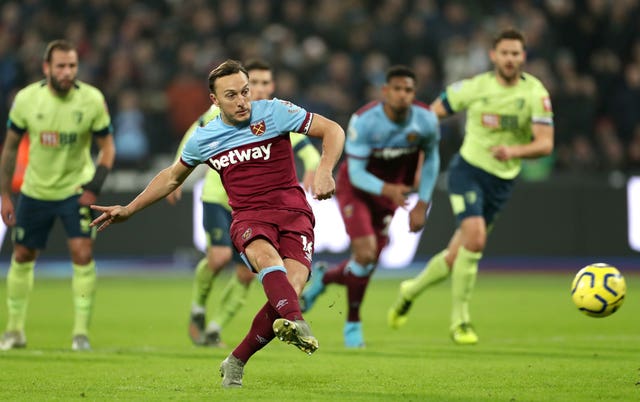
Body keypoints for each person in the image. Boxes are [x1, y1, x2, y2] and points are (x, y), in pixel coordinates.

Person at [90, 60, 344, 388]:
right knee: (268, 265)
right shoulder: (205, 138)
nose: (242, 101)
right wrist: (130, 208)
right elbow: (170, 177)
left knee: (289, 290)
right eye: (231, 95)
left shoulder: (273, 112)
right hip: (249, 218)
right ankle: (296, 322)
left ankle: (236, 360)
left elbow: (332, 130)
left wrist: (325, 169)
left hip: (294, 213)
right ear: (214, 100)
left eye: (245, 92)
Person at [387, 28, 554, 344]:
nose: (510, 59)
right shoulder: (475, 87)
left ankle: (411, 289)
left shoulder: (535, 94)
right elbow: (435, 111)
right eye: (504, 53)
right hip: (469, 171)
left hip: (503, 180)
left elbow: (545, 144)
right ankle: (460, 321)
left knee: (455, 255)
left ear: (523, 56)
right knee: (475, 240)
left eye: (515, 53)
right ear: (494, 56)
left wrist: (513, 152)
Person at [166, 59, 321, 347]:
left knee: (246, 275)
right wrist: (175, 178)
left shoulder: (275, 116)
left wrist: (316, 168)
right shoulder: (217, 115)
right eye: (255, 83)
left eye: (262, 84)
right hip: (218, 198)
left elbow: (304, 145)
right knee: (219, 257)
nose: (257, 90)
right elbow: (192, 140)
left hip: (258, 210)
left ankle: (215, 328)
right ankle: (198, 308)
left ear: (269, 87)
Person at [300, 65, 441, 348]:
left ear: (414, 93)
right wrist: (388, 189)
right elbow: (358, 172)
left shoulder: (425, 120)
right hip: (357, 190)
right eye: (398, 89)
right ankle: (353, 323)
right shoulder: (364, 121)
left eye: (409, 90)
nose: (403, 95)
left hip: (390, 195)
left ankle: (325, 278)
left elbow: (433, 161)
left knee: (366, 263)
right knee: (365, 253)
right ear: (386, 92)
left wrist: (421, 203)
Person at [0, 39, 115, 351]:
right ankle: (14, 331)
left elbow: (107, 149)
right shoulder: (26, 100)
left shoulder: (91, 99)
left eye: (72, 66)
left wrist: (93, 187)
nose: (67, 72)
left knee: (82, 253)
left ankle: (80, 334)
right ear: (46, 68)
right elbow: (10, 148)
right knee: (23, 255)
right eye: (61, 66)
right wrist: (5, 195)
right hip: (35, 191)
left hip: (75, 191)